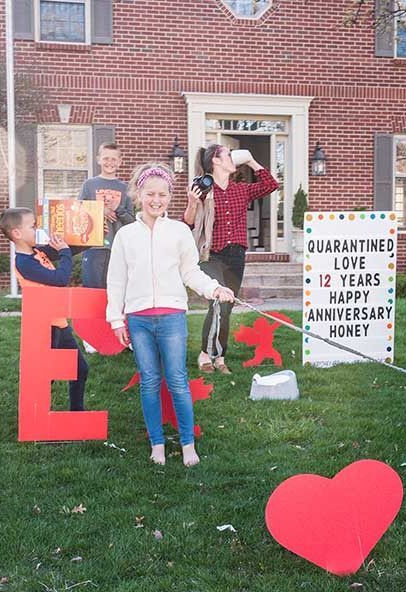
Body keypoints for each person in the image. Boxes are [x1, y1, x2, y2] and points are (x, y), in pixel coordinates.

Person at [107, 163, 235, 467]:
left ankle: (188, 444)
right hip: (138, 320)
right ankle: (157, 444)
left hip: (172, 319)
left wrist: (215, 289)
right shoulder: (126, 236)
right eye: (150, 194)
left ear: (169, 197)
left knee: (177, 381)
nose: (156, 200)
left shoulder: (179, 232)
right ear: (139, 195)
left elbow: (190, 272)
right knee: (149, 382)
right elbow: (116, 279)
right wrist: (116, 319)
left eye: (162, 194)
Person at [183, 143, 279, 374]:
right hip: (212, 256)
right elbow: (188, 223)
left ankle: (220, 356)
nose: (231, 157)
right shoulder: (204, 189)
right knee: (217, 301)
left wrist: (251, 161)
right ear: (215, 160)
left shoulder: (241, 189)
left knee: (227, 307)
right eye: (227, 153)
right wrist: (192, 202)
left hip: (236, 256)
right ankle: (206, 354)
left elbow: (271, 185)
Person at [0, 207, 87, 412]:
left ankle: (77, 414)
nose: (37, 230)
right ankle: (34, 416)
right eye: (33, 226)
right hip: (43, 327)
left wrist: (91, 239)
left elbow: (65, 249)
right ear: (17, 233)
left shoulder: (37, 252)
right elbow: (59, 279)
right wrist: (64, 252)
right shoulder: (24, 262)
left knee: (79, 369)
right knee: (45, 376)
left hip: (58, 323)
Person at [78, 143, 135, 354]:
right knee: (94, 291)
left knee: (119, 292)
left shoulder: (126, 188)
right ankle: (91, 337)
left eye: (114, 159)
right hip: (95, 246)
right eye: (106, 158)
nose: (110, 162)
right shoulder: (89, 184)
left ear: (120, 162)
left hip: (119, 248)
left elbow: (131, 221)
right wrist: (98, 210)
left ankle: (123, 335)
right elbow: (78, 212)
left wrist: (117, 209)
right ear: (98, 159)